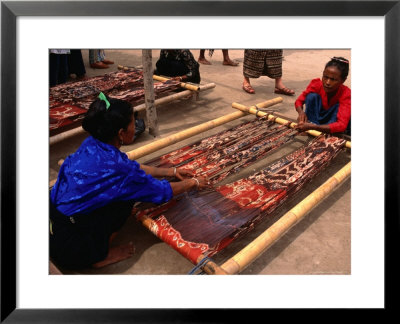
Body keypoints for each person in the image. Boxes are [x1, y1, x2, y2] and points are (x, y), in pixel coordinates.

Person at [50, 93, 209, 270]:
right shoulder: (120, 171)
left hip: (52, 221)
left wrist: (170, 171)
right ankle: (96, 255)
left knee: (121, 192)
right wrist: (193, 182)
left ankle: (91, 243)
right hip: (69, 245)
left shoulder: (93, 143)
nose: (137, 125)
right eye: (133, 122)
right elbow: (161, 191)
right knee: (125, 200)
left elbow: (130, 166)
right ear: (121, 133)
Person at [295, 57, 351, 135]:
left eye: (333, 79)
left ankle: (317, 127)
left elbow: (341, 125)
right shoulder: (316, 84)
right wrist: (301, 113)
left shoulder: (346, 94)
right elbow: (299, 101)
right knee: (311, 97)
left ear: (343, 80)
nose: (327, 82)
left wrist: (313, 127)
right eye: (325, 77)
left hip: (334, 124)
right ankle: (311, 123)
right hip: (317, 122)